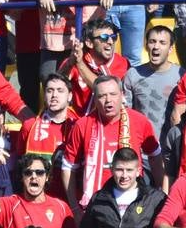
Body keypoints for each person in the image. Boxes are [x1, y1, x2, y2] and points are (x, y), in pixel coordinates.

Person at [60, 75, 162, 210]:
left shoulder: (139, 121)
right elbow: (68, 167)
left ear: (122, 95)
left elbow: (155, 155)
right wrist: (75, 209)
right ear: (95, 99)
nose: (108, 100)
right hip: (96, 205)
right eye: (102, 96)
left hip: (134, 204)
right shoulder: (82, 125)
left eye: (113, 94)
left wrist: (162, 193)